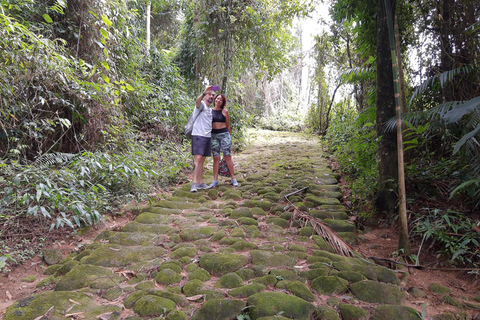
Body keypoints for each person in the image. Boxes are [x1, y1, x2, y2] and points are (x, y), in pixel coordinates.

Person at [209, 93, 238, 187]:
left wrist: (230, 137)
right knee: (216, 158)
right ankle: (215, 180)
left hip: (224, 135)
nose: (218, 100)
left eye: (220, 100)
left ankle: (233, 178)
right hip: (213, 136)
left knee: (227, 156)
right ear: (214, 100)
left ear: (223, 102)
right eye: (217, 98)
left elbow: (228, 125)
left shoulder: (225, 112)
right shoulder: (209, 111)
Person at [190, 86, 215, 192]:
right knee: (198, 158)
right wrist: (204, 93)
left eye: (213, 95)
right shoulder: (201, 105)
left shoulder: (209, 109)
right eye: (210, 94)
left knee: (203, 159)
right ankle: (194, 183)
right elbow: (197, 101)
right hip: (198, 135)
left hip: (207, 137)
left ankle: (200, 182)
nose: (211, 96)